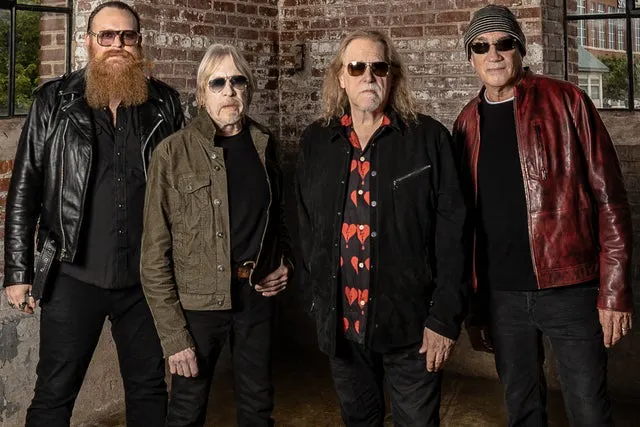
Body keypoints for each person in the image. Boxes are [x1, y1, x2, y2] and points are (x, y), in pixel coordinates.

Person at [3, 1, 183, 425]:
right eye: (107, 35)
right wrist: (18, 272)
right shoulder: (53, 101)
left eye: (127, 36)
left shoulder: (165, 103)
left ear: (139, 43)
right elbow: (24, 188)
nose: (117, 44)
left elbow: (181, 192)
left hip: (144, 279)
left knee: (149, 388)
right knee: (53, 394)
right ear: (88, 42)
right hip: (72, 275)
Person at [453, 5, 634, 427]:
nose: (493, 54)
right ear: (471, 58)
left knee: (590, 412)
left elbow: (610, 200)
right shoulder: (465, 124)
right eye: (481, 46)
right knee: (522, 411)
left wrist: (614, 292)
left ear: (520, 49)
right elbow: (465, 225)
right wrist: (475, 308)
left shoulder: (567, 100)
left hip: (570, 288)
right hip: (501, 295)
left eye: (504, 43)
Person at [295, 30, 469, 426]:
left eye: (379, 67)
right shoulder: (316, 142)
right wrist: (317, 303)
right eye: (357, 67)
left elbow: (454, 236)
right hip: (343, 328)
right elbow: (307, 229)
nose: (368, 76)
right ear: (341, 77)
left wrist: (443, 320)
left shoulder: (428, 139)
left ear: (393, 76)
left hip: (413, 327)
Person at [141, 43, 292, 427]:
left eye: (237, 81)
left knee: (258, 403)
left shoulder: (264, 143)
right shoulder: (171, 154)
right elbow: (153, 255)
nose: (229, 90)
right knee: (187, 408)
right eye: (217, 82)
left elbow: (282, 218)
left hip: (255, 296)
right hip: (198, 302)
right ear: (201, 93)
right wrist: (174, 336)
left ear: (248, 89)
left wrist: (285, 262)